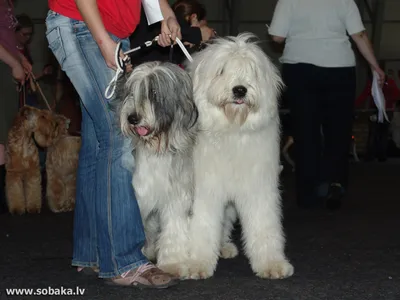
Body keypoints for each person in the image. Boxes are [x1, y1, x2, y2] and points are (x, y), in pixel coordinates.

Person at [45, 0, 182, 287]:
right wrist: (102, 39)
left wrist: (166, 15)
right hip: (82, 25)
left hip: (108, 31)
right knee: (118, 137)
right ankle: (124, 260)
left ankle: (94, 252)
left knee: (98, 141)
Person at [269, 0, 385, 210]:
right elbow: (359, 35)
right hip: (339, 69)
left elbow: (277, 37)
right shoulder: (345, 1)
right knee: (338, 130)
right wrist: (375, 66)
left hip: (300, 69)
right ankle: (335, 185)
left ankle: (307, 195)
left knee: (305, 132)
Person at [0, 0, 32, 214]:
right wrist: (13, 64)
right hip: (2, 67)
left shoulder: (8, 4)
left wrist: (20, 58)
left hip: (6, 64)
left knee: (6, 132)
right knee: (1, 134)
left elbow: (6, 39)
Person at [130, 0, 215, 66]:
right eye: (202, 24)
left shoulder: (167, 22)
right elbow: (155, 33)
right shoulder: (161, 25)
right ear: (194, 17)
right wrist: (197, 33)